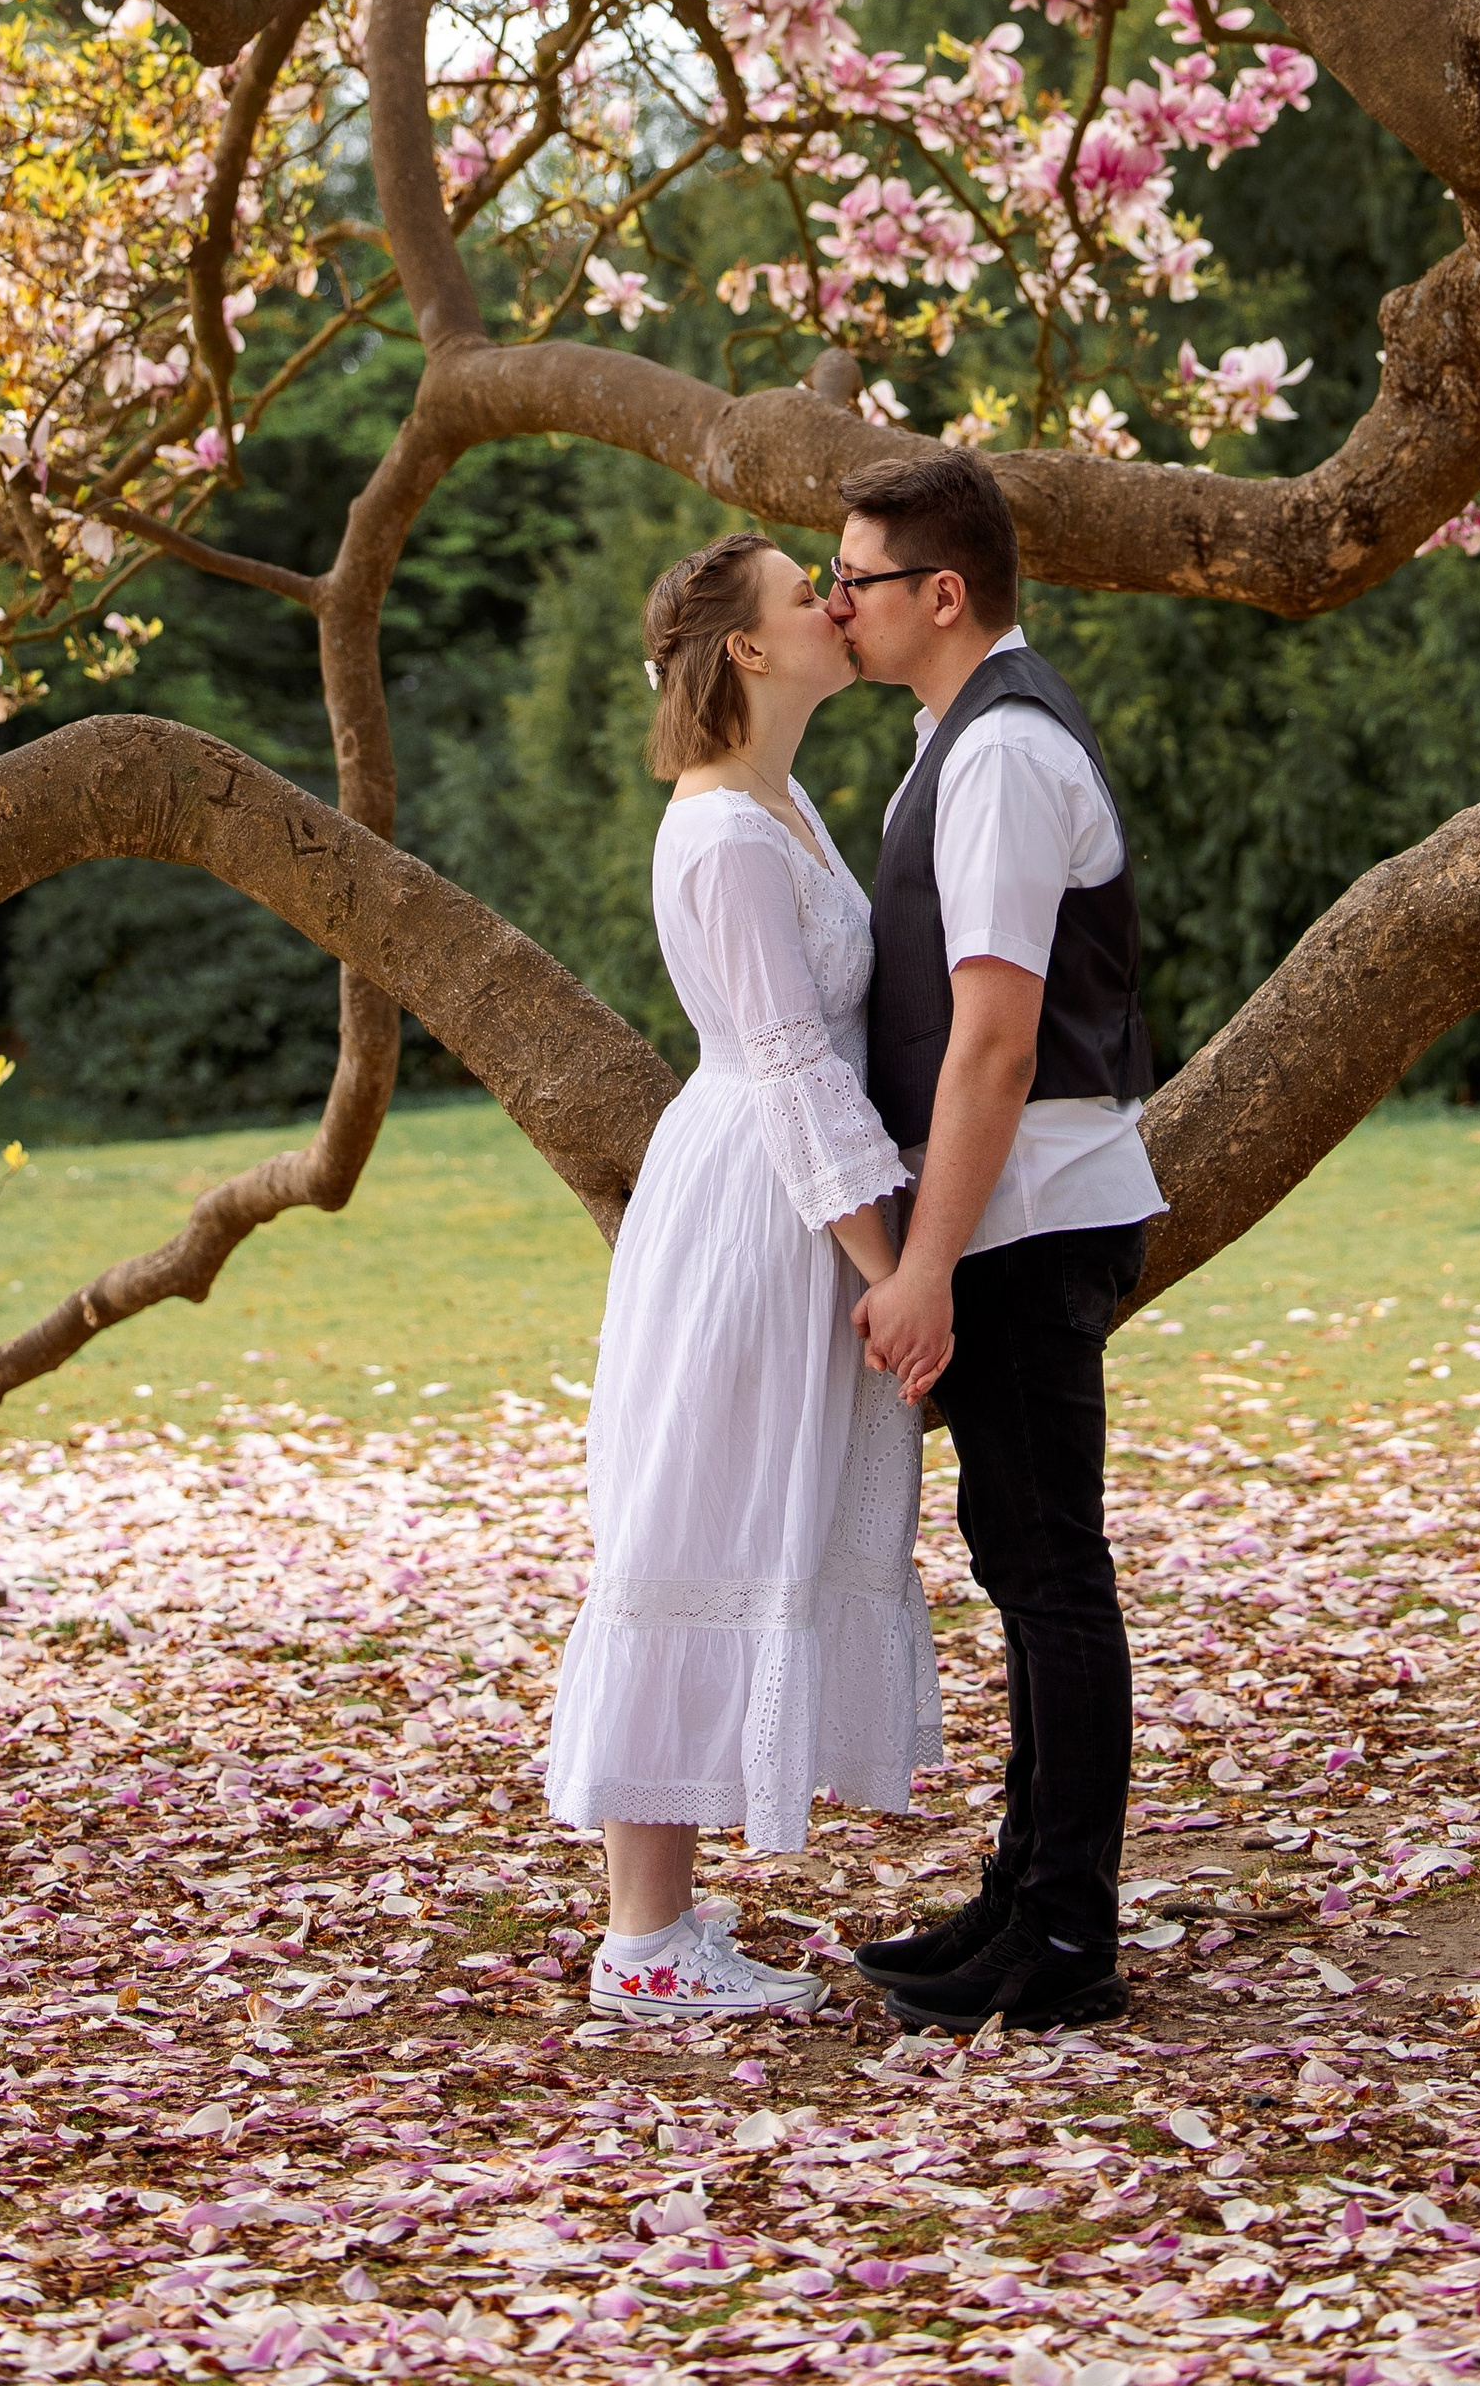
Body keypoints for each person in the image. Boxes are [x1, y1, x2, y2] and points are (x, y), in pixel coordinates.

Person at [542, 531, 942, 2024]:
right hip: (757, 1204)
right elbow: (784, 1065)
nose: (837, 605)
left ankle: (669, 1920)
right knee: (693, 1516)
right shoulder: (717, 832)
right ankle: (642, 1938)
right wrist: (892, 1268)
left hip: (792, 1192)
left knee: (733, 1516)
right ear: (751, 653)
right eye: (805, 594)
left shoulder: (782, 804)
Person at [833, 449, 1163, 2036]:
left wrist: (919, 1267)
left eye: (858, 580)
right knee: (1024, 1563)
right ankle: (1022, 1895)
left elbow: (995, 1046)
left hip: (1029, 1217)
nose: (838, 603)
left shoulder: (1006, 756)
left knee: (1049, 1572)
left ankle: (1067, 1940)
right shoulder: (951, 744)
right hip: (1010, 1216)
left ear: (940, 593)